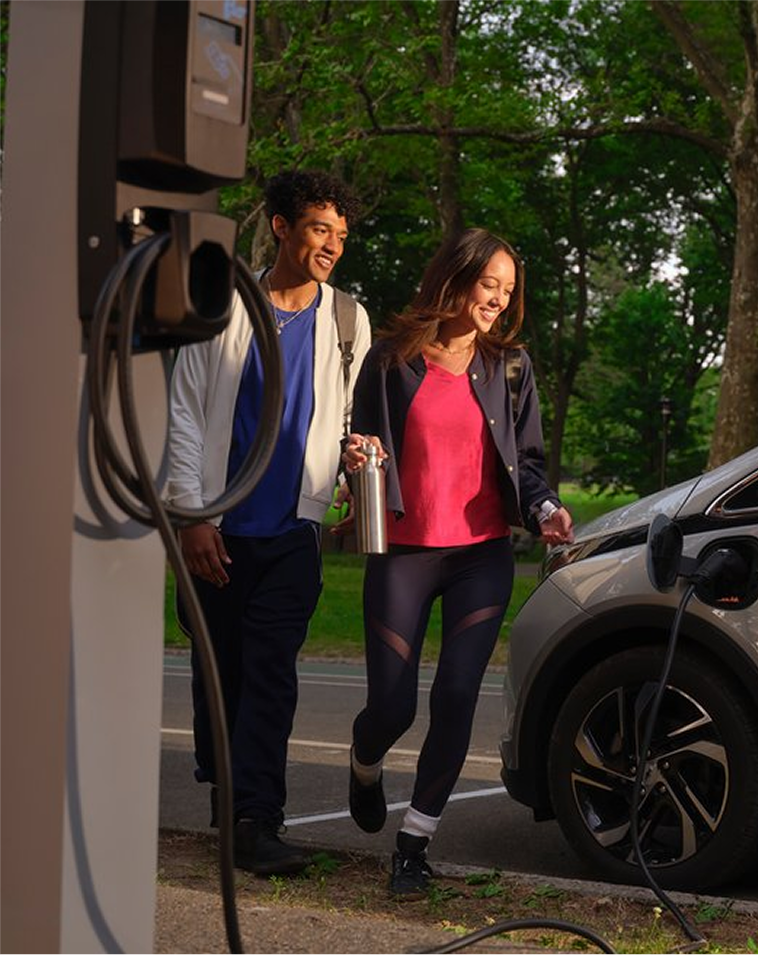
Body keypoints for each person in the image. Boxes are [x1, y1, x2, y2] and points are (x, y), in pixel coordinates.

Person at [341, 227, 573, 898]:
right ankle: (364, 763)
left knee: (455, 696)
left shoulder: (511, 367)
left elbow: (526, 466)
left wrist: (546, 507)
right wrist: (354, 461)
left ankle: (413, 842)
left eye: (507, 289)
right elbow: (360, 448)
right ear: (455, 277)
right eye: (488, 284)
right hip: (405, 552)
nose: (498, 299)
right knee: (390, 706)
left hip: (481, 557)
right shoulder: (390, 359)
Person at [163, 170, 370, 875]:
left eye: (341, 235)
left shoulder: (348, 319)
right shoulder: (221, 304)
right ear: (281, 227)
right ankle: (228, 797)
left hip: (291, 531)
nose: (332, 246)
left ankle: (257, 820)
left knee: (271, 674)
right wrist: (192, 517)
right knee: (218, 675)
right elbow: (185, 411)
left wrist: (350, 464)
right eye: (319, 228)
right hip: (217, 528)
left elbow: (344, 416)